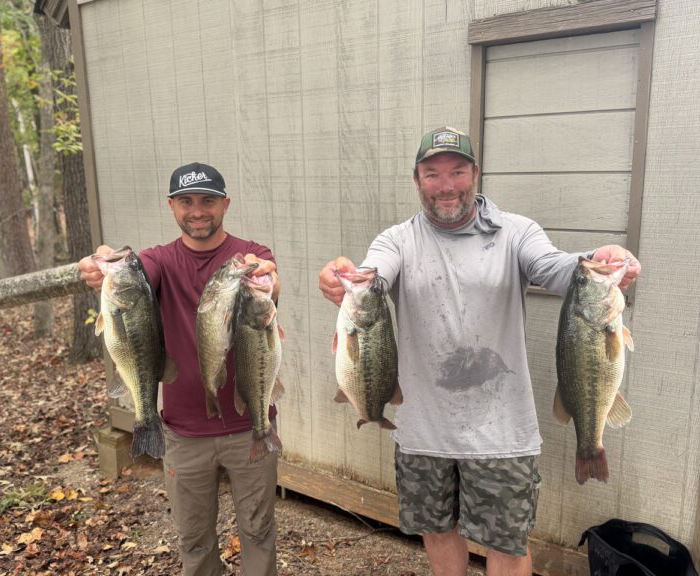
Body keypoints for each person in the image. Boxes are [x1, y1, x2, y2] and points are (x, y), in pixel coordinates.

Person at [318, 126, 641, 576]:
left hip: (502, 432)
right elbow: (372, 276)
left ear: (476, 173)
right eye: (432, 174)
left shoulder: (516, 232)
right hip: (422, 428)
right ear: (416, 180)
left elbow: (559, 269)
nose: (446, 185)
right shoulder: (397, 240)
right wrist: (344, 277)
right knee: (437, 531)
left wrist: (603, 259)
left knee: (506, 545)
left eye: (457, 172)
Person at [78, 162, 280, 576]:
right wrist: (101, 264)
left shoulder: (250, 256)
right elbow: (131, 275)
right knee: (193, 540)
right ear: (172, 206)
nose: (198, 211)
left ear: (225, 203)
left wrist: (266, 279)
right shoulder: (157, 261)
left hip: (249, 426)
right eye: (186, 201)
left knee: (259, 532)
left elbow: (269, 281)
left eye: (208, 200)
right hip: (184, 433)